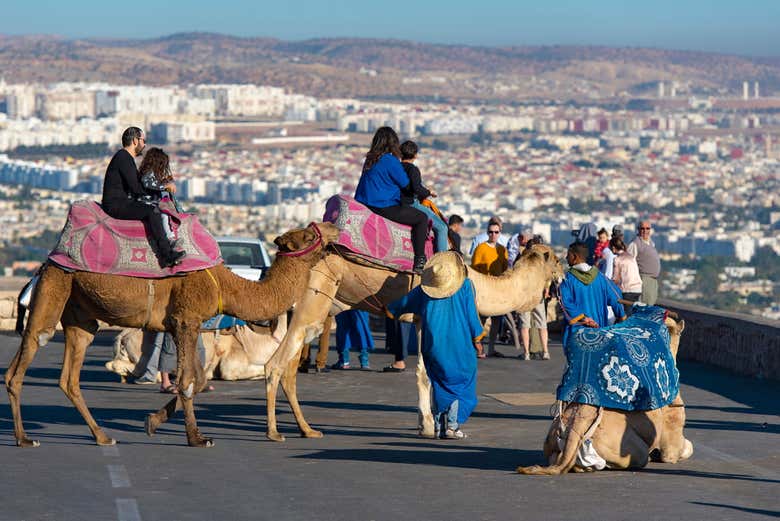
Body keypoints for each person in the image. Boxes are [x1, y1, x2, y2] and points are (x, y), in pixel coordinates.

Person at [386, 251, 484, 439]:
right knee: (460, 382)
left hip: (433, 346)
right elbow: (472, 316)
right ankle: (453, 427)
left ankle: (439, 426)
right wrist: (478, 339)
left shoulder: (424, 290)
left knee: (439, 383)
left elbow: (402, 303)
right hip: (460, 345)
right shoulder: (465, 285)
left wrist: (389, 310)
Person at [101, 127, 184, 268]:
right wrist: (163, 187)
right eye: (143, 141)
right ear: (135, 140)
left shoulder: (124, 158)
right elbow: (137, 189)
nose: (144, 145)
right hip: (116, 205)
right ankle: (166, 255)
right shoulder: (124, 158)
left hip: (121, 202)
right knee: (152, 211)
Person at [354, 127, 428, 274]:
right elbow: (406, 185)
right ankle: (420, 259)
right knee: (421, 218)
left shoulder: (370, 159)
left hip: (364, 203)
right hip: (383, 206)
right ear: (393, 143)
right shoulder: (390, 160)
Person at [558, 241, 625, 348]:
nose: (566, 257)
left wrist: (584, 319)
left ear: (575, 257)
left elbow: (565, 303)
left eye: (568, 255)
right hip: (599, 331)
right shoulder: (601, 278)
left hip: (577, 334)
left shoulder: (567, 280)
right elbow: (616, 297)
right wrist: (621, 316)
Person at [399, 141, 449, 253]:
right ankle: (442, 260)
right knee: (442, 228)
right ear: (415, 155)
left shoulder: (395, 168)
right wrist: (428, 192)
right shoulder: (413, 169)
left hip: (396, 202)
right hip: (411, 203)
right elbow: (417, 188)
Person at [471, 221, 509, 358]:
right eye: (491, 232)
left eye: (496, 232)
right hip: (484, 290)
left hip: (498, 290)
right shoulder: (480, 248)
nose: (493, 235)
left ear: (500, 233)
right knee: (481, 319)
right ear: (487, 233)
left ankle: (491, 348)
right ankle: (477, 347)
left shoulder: (502, 250)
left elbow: (505, 270)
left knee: (497, 321)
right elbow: (474, 270)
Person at [137, 147, 179, 243]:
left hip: (151, 203)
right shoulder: (148, 173)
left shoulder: (150, 173)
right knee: (164, 214)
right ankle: (170, 238)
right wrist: (165, 186)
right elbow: (149, 184)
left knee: (165, 214)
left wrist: (164, 182)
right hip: (148, 204)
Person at [518, 236, 550, 361]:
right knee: (542, 324)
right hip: (538, 295)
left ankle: (526, 353)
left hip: (525, 295)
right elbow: (547, 277)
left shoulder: (522, 262)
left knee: (525, 324)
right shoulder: (541, 263)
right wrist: (546, 288)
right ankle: (546, 351)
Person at [627, 220, 661, 305]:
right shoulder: (635, 244)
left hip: (653, 280)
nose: (645, 231)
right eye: (642, 228)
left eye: (647, 228)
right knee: (644, 305)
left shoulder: (650, 242)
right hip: (643, 279)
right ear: (638, 229)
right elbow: (628, 262)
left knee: (650, 303)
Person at [611, 237, 642, 315]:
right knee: (633, 313)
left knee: (626, 315)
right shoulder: (631, 256)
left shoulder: (617, 259)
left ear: (613, 248)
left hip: (627, 290)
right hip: (637, 289)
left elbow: (616, 279)